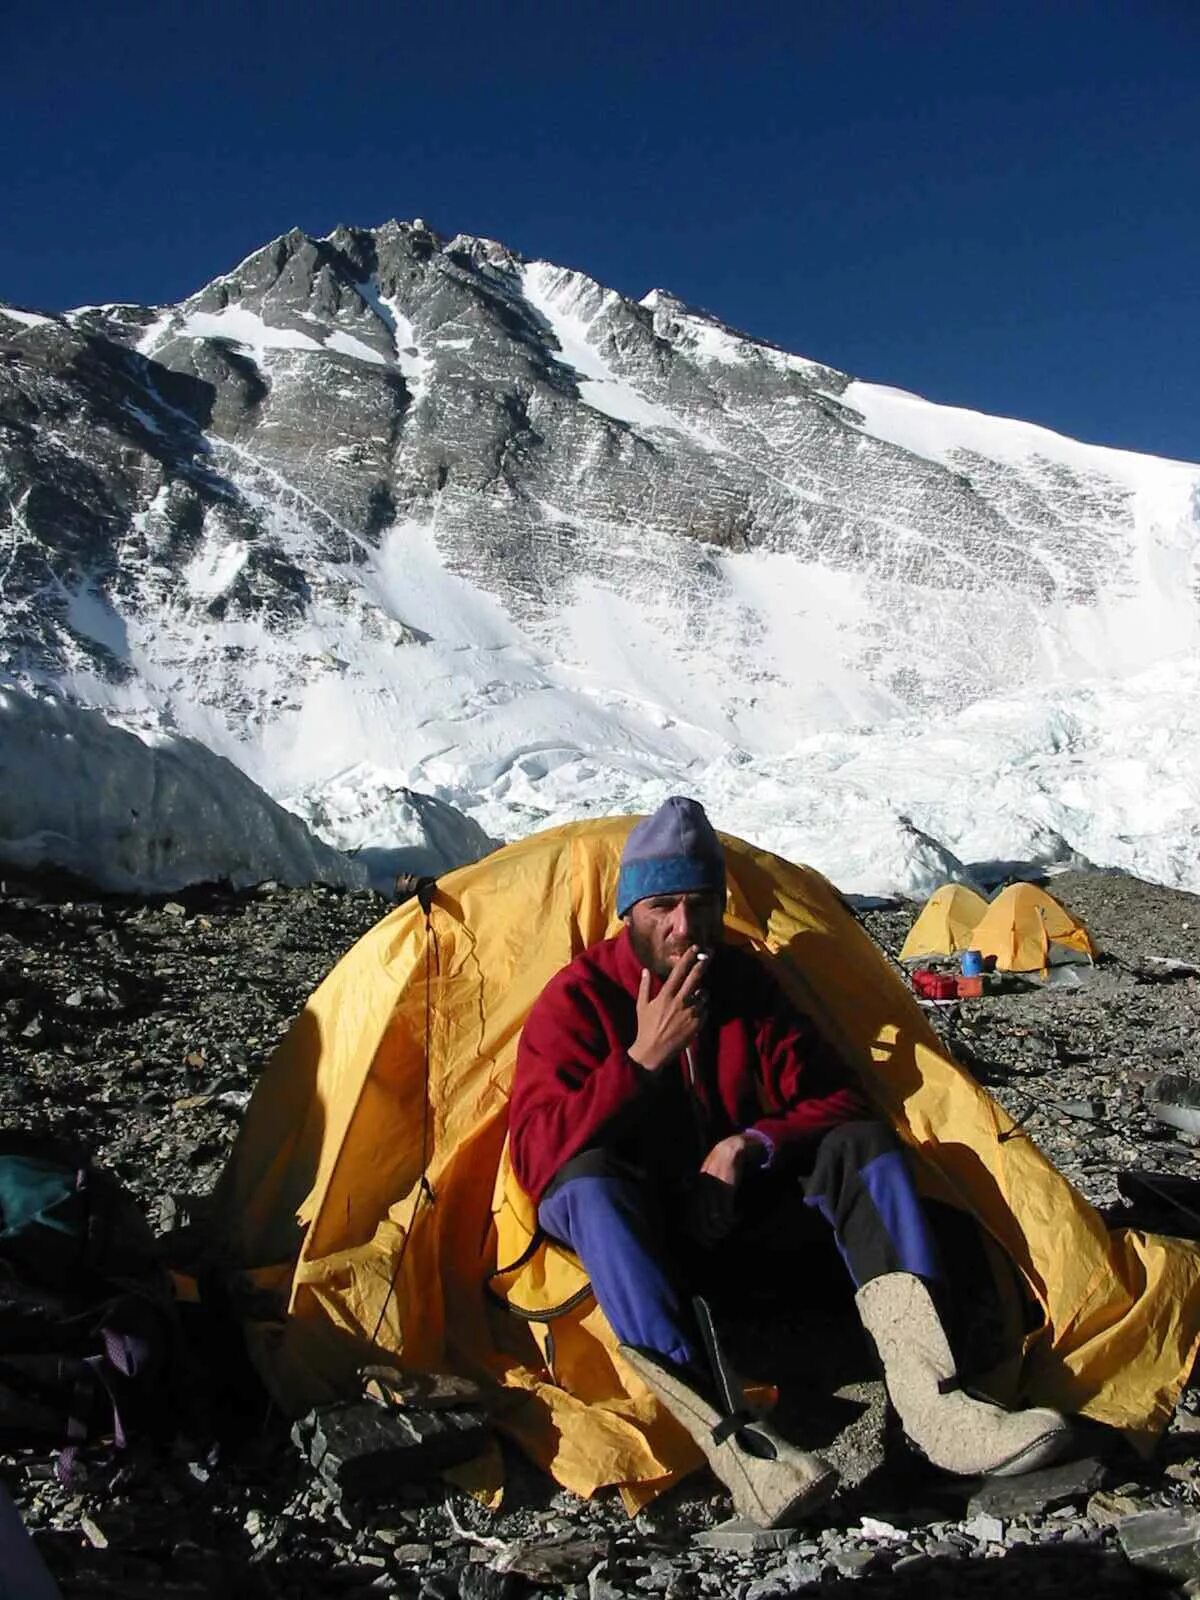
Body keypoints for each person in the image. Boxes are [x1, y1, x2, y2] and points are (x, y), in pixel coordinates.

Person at [508, 797, 1070, 1526]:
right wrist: (641, 1060)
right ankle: (738, 1446)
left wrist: (749, 1144)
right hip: (647, 1245)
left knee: (860, 1146)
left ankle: (936, 1402)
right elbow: (534, 1156)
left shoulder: (745, 986)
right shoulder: (579, 1002)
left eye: (703, 905)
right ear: (630, 912)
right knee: (586, 1187)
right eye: (664, 907)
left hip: (745, 1224)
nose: (685, 929)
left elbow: (839, 1098)